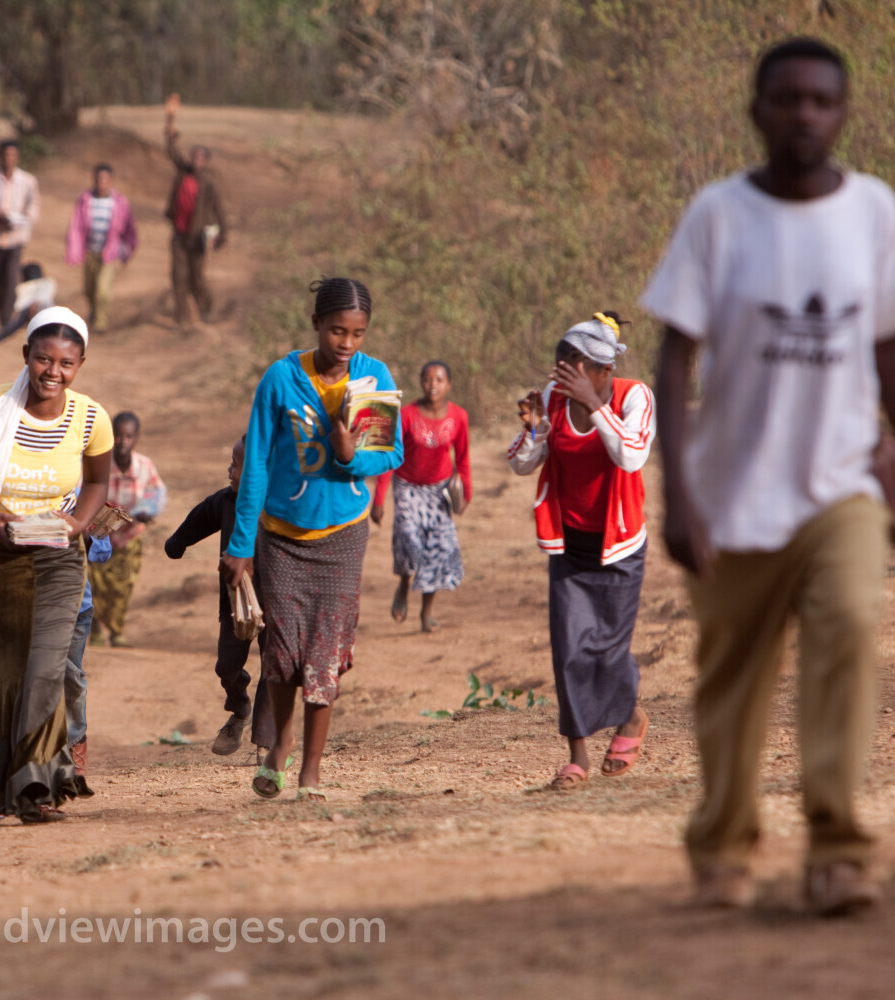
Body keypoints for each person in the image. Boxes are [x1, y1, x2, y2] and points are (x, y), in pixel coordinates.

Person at [644, 38, 895, 916]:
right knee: (733, 679)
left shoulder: (875, 214)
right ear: (756, 111)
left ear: (842, 112)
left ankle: (838, 852)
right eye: (786, 100)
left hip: (842, 487)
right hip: (736, 494)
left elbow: (888, 346)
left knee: (851, 628)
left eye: (821, 101)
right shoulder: (719, 215)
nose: (804, 115)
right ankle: (721, 847)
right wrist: (678, 495)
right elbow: (675, 359)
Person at [220, 278, 402, 802]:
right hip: (280, 537)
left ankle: (310, 773)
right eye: (337, 330)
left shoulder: (373, 378)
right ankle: (277, 749)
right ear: (317, 325)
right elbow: (255, 464)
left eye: (357, 333)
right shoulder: (280, 379)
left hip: (343, 534)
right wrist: (241, 543)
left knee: (323, 655)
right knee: (281, 653)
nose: (346, 343)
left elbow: (388, 456)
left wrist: (350, 457)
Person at [0, 306, 113, 826]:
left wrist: (77, 524)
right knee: (2, 678)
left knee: (45, 673)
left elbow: (98, 483)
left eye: (65, 363)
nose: (52, 372)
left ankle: (35, 787)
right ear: (26, 357)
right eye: (42, 359)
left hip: (58, 560)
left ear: (79, 364)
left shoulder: (90, 418)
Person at [506, 313, 654, 795]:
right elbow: (521, 464)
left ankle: (630, 717)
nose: (563, 373)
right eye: (560, 363)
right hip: (569, 544)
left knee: (608, 650)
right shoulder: (551, 400)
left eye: (576, 365)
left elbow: (630, 455)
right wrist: (534, 429)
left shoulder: (633, 397)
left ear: (603, 370)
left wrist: (594, 405)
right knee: (569, 651)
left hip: (619, 546)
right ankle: (577, 756)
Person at [164, 436, 275, 759]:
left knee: (273, 668)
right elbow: (198, 519)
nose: (229, 470)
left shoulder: (280, 508)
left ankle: (264, 742)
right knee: (226, 665)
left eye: (236, 465)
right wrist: (177, 543)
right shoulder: (225, 502)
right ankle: (240, 709)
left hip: (277, 602)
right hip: (235, 604)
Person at [372, 361, 472, 633]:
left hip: (439, 490)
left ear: (448, 385)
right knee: (408, 536)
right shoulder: (406, 415)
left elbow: (462, 459)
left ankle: (427, 612)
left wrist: (466, 496)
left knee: (438, 548)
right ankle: (404, 583)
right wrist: (378, 500)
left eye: (439, 380)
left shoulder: (459, 417)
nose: (433, 385)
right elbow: (389, 458)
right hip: (407, 486)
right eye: (428, 379)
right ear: (421, 382)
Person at [88, 412, 166, 648]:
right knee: (95, 583)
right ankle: (95, 631)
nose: (123, 442)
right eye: (118, 436)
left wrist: (147, 511)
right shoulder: (99, 462)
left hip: (129, 536)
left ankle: (117, 630)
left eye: (129, 436)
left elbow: (156, 493)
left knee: (123, 584)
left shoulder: (144, 466)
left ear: (137, 438)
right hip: (98, 535)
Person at [163, 95, 227, 327]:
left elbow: (220, 212)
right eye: (194, 156)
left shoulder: (209, 185)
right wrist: (170, 122)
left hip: (197, 238)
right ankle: (182, 319)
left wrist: (222, 236)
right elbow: (171, 149)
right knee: (178, 278)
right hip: (179, 235)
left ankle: (207, 307)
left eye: (201, 158)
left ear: (207, 162)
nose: (196, 161)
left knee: (196, 278)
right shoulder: (183, 172)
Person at [64, 531, 113, 796]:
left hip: (77, 607)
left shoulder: (83, 494)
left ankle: (76, 769)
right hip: (32, 604)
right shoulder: (24, 491)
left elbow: (103, 553)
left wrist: (85, 534)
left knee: (71, 681)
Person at [65, 163, 138, 335]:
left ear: (111, 181)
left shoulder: (120, 202)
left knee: (102, 290)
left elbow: (129, 228)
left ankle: (100, 323)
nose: (101, 182)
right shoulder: (85, 200)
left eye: (105, 179)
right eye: (98, 179)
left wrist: (128, 249)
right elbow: (76, 226)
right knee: (89, 289)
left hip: (110, 254)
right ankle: (94, 312)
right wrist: (74, 250)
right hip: (90, 251)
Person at [0, 139, 40, 325]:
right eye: (5, 155)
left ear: (17, 157)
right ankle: (0, 310)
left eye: (12, 155)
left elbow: (34, 206)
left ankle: (6, 319)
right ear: (0, 157)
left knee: (12, 277)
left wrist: (22, 218)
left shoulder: (27, 181)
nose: (9, 159)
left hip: (16, 238)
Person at [0, 263, 58, 344]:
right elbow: (47, 297)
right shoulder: (48, 283)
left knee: (15, 324)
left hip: (32, 311)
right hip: (49, 312)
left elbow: (21, 305)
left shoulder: (24, 287)